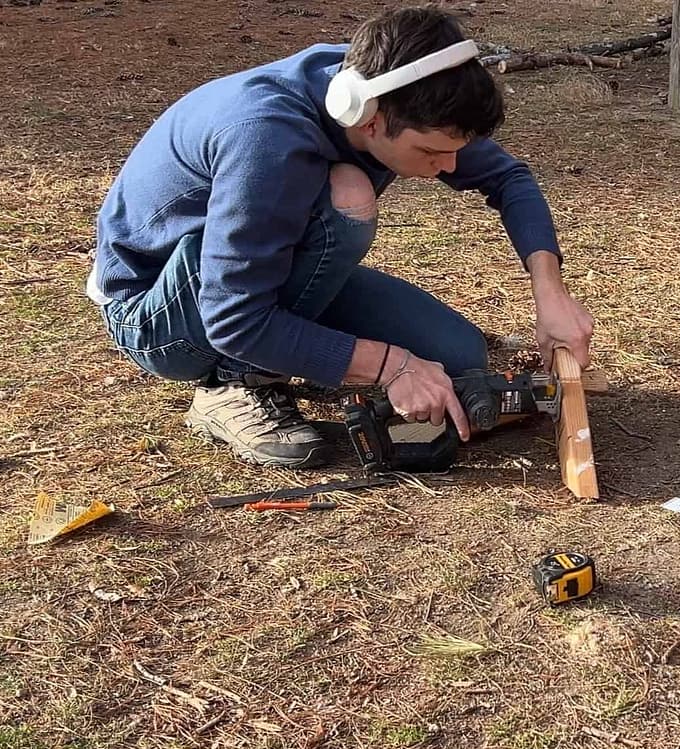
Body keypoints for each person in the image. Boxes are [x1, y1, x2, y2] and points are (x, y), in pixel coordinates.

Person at [88, 6, 593, 469]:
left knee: (457, 356)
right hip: (162, 312)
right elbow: (233, 319)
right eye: (432, 152)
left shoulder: (389, 86)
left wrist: (550, 293)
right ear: (368, 119)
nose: (450, 167)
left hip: (261, 271)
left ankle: (290, 346)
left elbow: (509, 179)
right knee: (346, 195)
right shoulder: (266, 137)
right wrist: (391, 366)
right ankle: (233, 384)